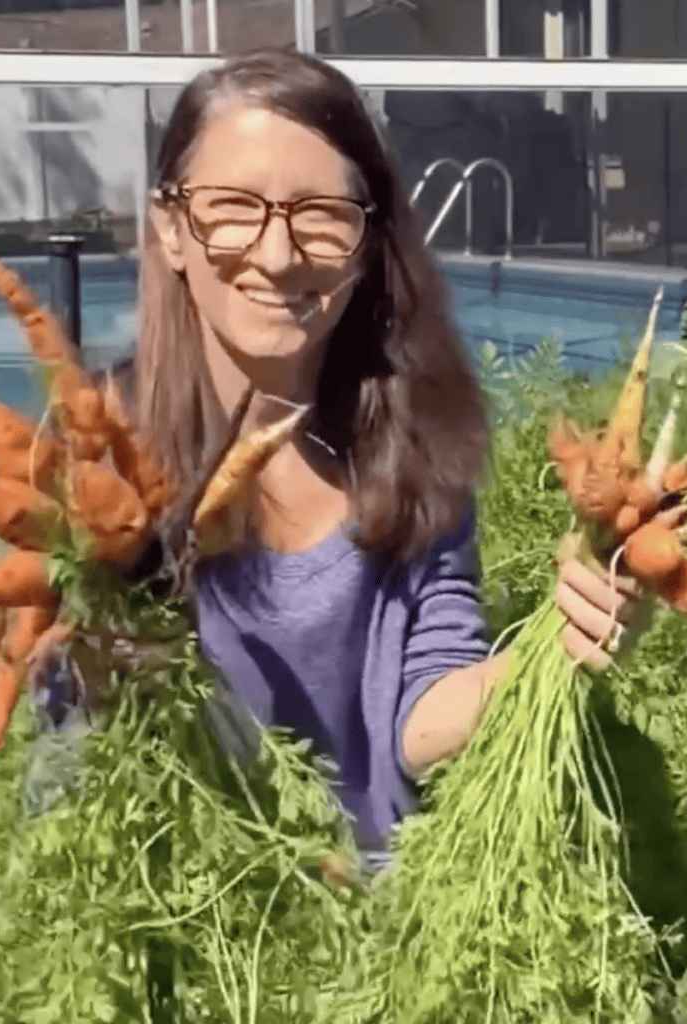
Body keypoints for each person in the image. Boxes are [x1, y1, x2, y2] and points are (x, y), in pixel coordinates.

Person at [64, 47, 644, 856]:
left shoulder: (413, 449)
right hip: (161, 891)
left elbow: (417, 716)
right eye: (232, 206)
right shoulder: (95, 450)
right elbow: (56, 732)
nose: (277, 255)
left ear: (369, 242)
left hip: (364, 907)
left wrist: (555, 643)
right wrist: (92, 664)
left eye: (321, 215)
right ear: (171, 228)